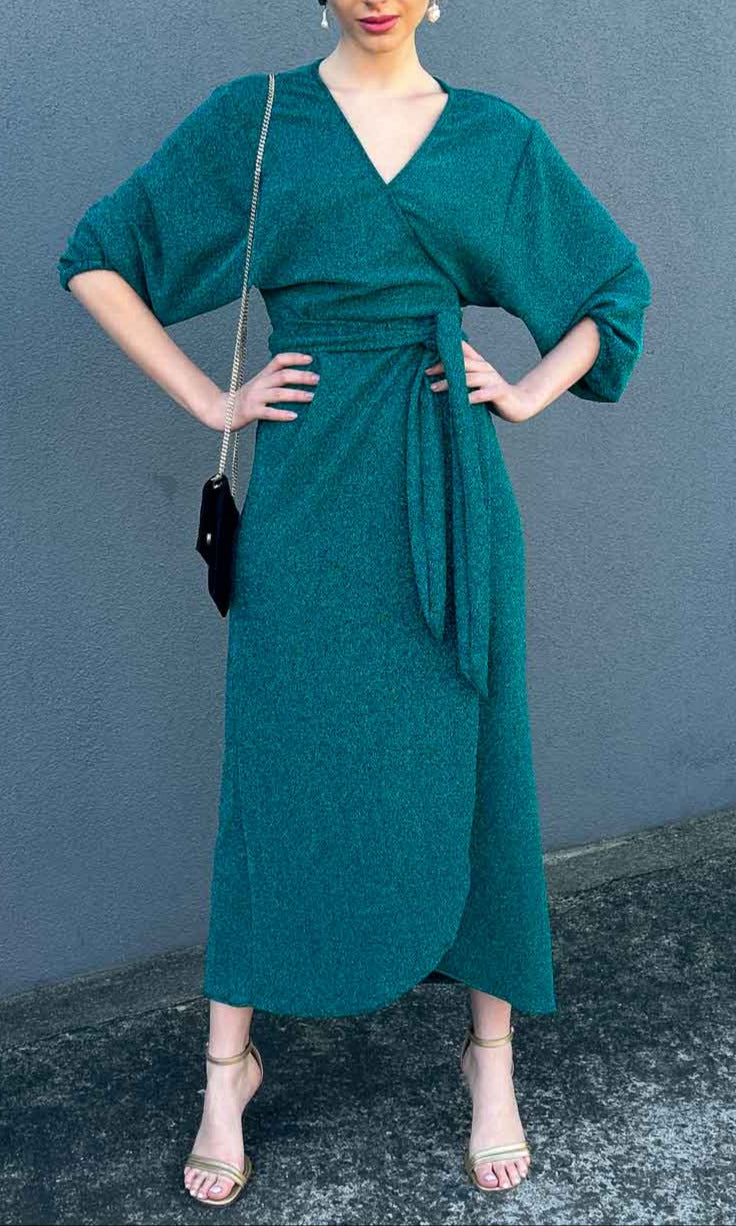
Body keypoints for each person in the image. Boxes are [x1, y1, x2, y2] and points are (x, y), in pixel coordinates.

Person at [56, 0, 651, 1207]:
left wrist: (527, 388)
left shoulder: (492, 137)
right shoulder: (260, 118)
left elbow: (611, 287)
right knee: (273, 768)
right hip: (309, 504)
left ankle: (491, 1057)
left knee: (478, 761)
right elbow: (98, 256)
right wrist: (212, 400)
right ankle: (226, 1069)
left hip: (448, 492)